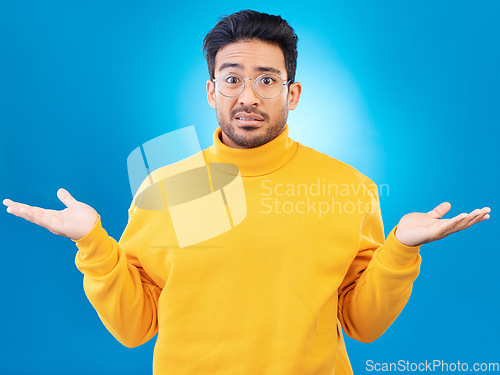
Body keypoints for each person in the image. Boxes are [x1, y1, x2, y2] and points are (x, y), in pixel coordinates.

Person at [2, 9, 491, 375]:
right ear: (212, 91)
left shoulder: (346, 189)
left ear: (292, 94)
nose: (248, 96)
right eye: (232, 79)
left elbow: (361, 323)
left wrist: (400, 251)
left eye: (266, 80)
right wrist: (93, 244)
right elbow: (136, 328)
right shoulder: (166, 187)